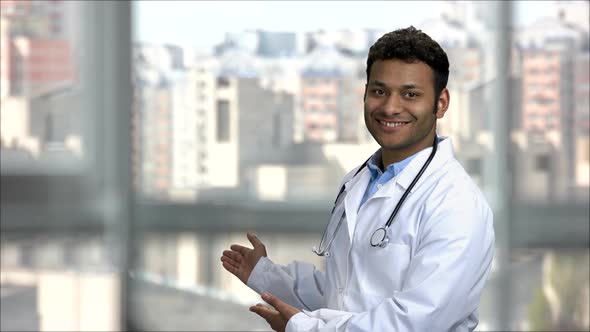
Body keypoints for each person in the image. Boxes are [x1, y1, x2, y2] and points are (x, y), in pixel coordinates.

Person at [221, 26, 495, 332]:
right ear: (364, 94)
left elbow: (416, 321)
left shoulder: (455, 203)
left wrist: (305, 329)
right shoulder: (360, 181)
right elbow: (342, 294)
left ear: (441, 103)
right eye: (379, 91)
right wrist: (265, 274)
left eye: (410, 94)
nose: (391, 107)